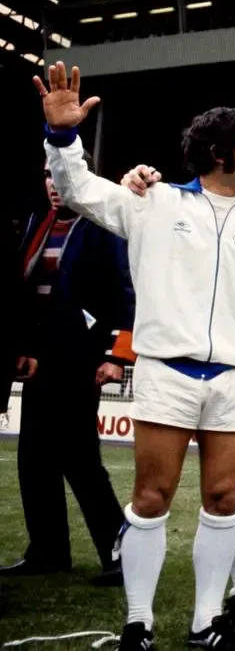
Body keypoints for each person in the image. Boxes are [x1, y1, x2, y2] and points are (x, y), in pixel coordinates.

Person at [35, 62, 235, 651]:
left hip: (234, 379)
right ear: (217, 151)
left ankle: (205, 623)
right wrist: (63, 137)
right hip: (165, 374)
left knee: (224, 500)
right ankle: (138, 621)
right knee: (151, 499)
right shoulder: (154, 203)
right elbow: (77, 189)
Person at [4, 154, 133, 586]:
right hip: (40, 360)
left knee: (79, 457)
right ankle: (48, 551)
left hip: (81, 358)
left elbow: (126, 291)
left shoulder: (100, 226)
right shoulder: (36, 223)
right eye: (46, 174)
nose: (54, 183)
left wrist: (118, 356)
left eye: (60, 174)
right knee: (34, 459)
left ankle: (120, 555)